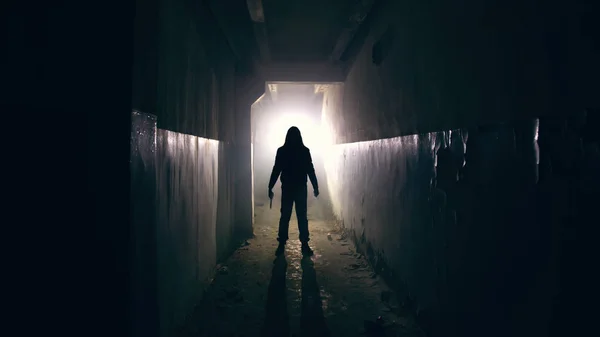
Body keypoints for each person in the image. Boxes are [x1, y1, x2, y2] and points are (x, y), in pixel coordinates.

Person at [268, 126, 319, 256]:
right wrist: (315, 186)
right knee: (302, 216)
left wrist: (270, 186)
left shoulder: (282, 151)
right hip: (300, 187)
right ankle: (304, 244)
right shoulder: (304, 151)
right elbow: (310, 169)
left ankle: (281, 244)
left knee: (285, 216)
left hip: (287, 188)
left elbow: (276, 169)